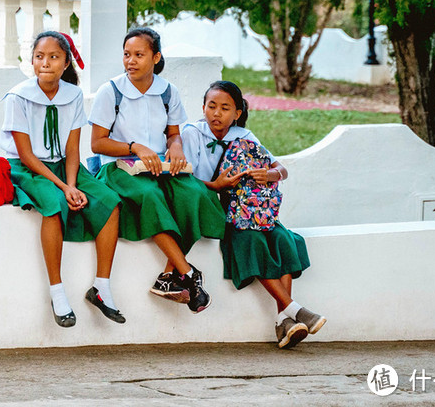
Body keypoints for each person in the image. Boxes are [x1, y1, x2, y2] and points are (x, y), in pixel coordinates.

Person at [89, 27, 225, 313]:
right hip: (119, 169)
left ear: (156, 57)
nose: (131, 61)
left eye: (139, 54)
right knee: (150, 198)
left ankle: (168, 276)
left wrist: (175, 146)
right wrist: (134, 147)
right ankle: (188, 274)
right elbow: (97, 143)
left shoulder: (167, 91)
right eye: (127, 54)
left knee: (195, 194)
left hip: (159, 166)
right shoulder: (110, 91)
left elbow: (173, 134)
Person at [182, 80, 325, 348]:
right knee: (252, 241)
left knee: (283, 239)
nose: (217, 113)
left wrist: (270, 174)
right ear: (203, 107)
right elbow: (182, 179)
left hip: (252, 208)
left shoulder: (244, 137)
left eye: (225, 108)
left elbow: (281, 169)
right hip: (219, 209)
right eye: (211, 106)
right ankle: (294, 311)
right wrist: (216, 186)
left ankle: (285, 321)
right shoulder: (191, 135)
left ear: (237, 113)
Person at [1, 31, 124, 328]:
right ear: (31, 60)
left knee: (110, 200)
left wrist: (72, 182)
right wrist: (65, 188)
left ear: (66, 62)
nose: (46, 63)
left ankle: (101, 288)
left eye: (54, 57)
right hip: (28, 168)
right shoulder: (18, 97)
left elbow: (72, 150)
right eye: (39, 57)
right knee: (54, 205)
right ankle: (57, 293)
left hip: (64, 167)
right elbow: (27, 155)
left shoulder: (73, 95)